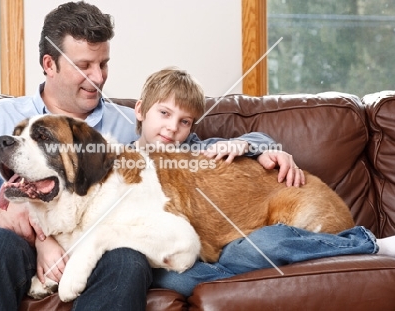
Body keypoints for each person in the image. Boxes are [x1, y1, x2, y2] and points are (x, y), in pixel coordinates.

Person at [0, 2, 303, 311]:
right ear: (49, 65)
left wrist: (262, 147)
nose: (98, 77)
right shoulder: (2, 119)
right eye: (84, 66)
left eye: (103, 64)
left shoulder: (127, 127)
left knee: (128, 258)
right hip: (13, 247)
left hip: (96, 250)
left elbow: (194, 154)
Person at [131, 67, 395, 297]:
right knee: (174, 277)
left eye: (184, 121)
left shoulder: (202, 149)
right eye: (164, 113)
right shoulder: (119, 165)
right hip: (224, 250)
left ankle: (370, 244)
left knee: (267, 245)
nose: (172, 127)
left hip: (265, 226)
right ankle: (231, 275)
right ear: (141, 110)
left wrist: (244, 144)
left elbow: (262, 140)